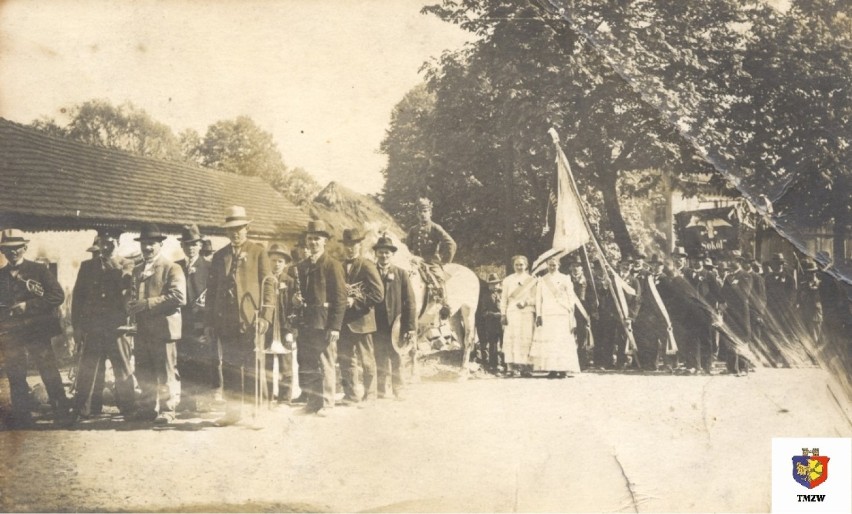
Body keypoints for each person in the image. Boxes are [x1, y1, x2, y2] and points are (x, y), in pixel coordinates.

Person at [205, 206, 275, 426]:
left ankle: (257, 414)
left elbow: (269, 285)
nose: (236, 233)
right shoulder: (219, 256)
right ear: (227, 232)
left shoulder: (258, 252)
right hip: (225, 320)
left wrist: (266, 316)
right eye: (231, 229)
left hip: (251, 319)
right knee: (231, 366)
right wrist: (209, 322)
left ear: (247, 228)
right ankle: (233, 413)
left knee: (253, 366)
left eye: (240, 228)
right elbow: (212, 290)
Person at [0, 229, 73, 428]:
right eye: (7, 249)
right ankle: (22, 416)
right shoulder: (1, 275)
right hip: (11, 333)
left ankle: (61, 412)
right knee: (15, 374)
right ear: (2, 251)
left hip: (37, 331)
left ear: (24, 248)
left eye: (16, 248)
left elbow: (57, 296)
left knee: (48, 370)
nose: (13, 252)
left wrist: (28, 306)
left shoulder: (39, 270)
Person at [70, 230, 136, 421]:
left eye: (110, 242)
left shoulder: (126, 263)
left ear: (117, 242)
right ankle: (86, 408)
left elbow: (126, 286)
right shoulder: (87, 266)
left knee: (122, 368)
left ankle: (128, 408)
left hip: (117, 328)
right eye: (102, 243)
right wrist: (77, 326)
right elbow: (78, 298)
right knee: (89, 369)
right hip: (93, 326)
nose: (106, 247)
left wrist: (113, 260)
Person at [126, 224, 186, 424]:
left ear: (160, 244)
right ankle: (147, 408)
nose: (147, 248)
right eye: (144, 244)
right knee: (144, 370)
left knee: (165, 372)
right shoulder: (137, 270)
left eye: (151, 244)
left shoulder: (172, 268)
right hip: (142, 330)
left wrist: (147, 304)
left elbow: (179, 297)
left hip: (163, 330)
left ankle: (168, 410)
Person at [295, 220, 346, 416]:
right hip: (306, 323)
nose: (313, 242)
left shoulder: (333, 265)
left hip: (324, 323)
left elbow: (340, 298)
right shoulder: (302, 266)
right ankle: (312, 402)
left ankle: (327, 403)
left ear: (325, 241)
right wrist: (295, 300)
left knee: (326, 363)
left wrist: (335, 327)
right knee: (308, 363)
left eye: (317, 239)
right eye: (310, 239)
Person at [338, 229, 384, 406]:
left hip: (363, 320)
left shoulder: (367, 265)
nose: (350, 249)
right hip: (343, 321)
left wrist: (355, 301)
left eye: (354, 245)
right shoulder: (340, 266)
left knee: (366, 359)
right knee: (345, 358)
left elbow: (378, 295)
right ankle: (350, 394)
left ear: (360, 245)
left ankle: (370, 395)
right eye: (347, 245)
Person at [174, 224, 214, 412]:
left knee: (204, 361)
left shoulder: (209, 267)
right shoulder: (176, 267)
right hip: (182, 323)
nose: (191, 248)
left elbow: (213, 296)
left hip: (202, 323)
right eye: (187, 244)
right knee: (184, 362)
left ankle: (205, 402)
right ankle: (187, 402)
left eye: (194, 244)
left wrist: (208, 322)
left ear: (200, 245)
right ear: (182, 246)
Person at [372, 235, 417, 400]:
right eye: (381, 252)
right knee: (379, 356)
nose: (384, 256)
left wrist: (410, 327)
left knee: (396, 356)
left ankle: (399, 389)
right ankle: (381, 390)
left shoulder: (400, 274)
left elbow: (410, 302)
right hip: (376, 324)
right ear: (376, 253)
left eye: (387, 253)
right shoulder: (371, 272)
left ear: (392, 255)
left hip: (395, 324)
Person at [529, 256, 588, 378]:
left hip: (562, 313)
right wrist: (539, 314)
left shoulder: (565, 278)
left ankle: (563, 369)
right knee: (550, 342)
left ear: (558, 266)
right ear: (547, 266)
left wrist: (570, 314)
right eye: (550, 265)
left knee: (562, 341)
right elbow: (538, 299)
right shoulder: (542, 280)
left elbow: (571, 297)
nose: (552, 267)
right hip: (548, 314)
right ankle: (551, 369)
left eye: (554, 265)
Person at [406, 198, 456, 311]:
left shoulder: (435, 228)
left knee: (438, 280)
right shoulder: (413, 230)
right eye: (420, 212)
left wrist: (445, 261)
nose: (422, 214)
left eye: (425, 211)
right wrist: (412, 257)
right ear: (417, 214)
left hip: (431, 263)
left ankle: (444, 306)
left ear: (430, 212)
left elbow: (451, 244)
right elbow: (407, 247)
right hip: (415, 262)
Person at [265, 243, 299, 404]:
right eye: (273, 261)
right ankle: (268, 397)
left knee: (286, 366)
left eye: (280, 261)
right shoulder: (264, 280)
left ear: (285, 263)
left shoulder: (291, 282)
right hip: (268, 328)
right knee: (267, 366)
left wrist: (291, 330)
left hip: (285, 328)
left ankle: (285, 399)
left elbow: (295, 309)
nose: (276, 264)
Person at [500, 255, 536, 377]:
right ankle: (511, 367)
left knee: (526, 338)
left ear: (526, 266)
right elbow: (503, 298)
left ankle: (525, 367)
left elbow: (536, 298)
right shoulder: (508, 280)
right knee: (512, 339)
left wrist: (526, 302)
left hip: (526, 312)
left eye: (521, 264)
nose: (519, 267)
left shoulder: (532, 280)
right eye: (517, 265)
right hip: (512, 313)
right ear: (513, 266)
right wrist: (503, 314)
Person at [719, 251, 752, 376]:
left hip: (741, 312)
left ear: (740, 262)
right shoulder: (729, 277)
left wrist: (732, 287)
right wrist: (722, 303)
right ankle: (732, 368)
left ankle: (743, 368)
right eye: (730, 260)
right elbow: (723, 293)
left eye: (734, 260)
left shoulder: (746, 276)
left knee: (742, 338)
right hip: (730, 312)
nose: (731, 262)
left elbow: (744, 294)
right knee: (730, 338)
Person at [478, 273, 504, 374]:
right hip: (492, 323)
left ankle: (505, 364)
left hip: (503, 323)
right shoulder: (485, 296)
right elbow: (483, 312)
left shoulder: (503, 294)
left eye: (496, 284)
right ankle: (493, 365)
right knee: (493, 344)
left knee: (504, 343)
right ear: (489, 285)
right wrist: (494, 314)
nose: (494, 286)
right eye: (492, 284)